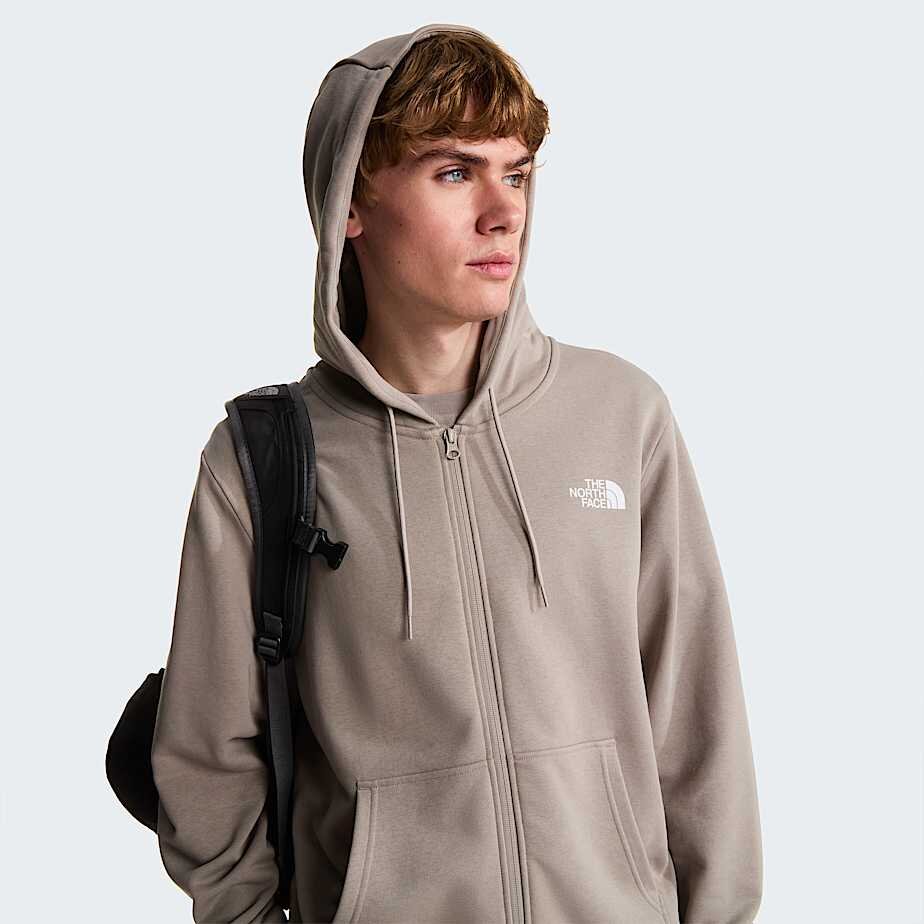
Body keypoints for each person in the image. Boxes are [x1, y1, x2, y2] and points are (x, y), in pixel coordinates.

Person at [151, 22, 763, 924]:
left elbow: (698, 720)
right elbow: (206, 755)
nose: (504, 211)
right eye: (454, 172)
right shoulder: (264, 459)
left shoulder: (619, 415)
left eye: (516, 173)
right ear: (350, 203)